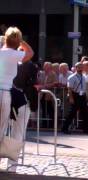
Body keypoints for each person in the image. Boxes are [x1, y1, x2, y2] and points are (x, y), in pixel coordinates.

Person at [0, 26, 33, 164]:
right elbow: (30, 52)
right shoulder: (15, 55)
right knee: (1, 128)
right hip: (5, 92)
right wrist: (21, 42)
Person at [62, 62, 88, 134]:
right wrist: (71, 98)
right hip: (75, 95)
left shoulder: (83, 77)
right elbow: (69, 89)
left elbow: (84, 88)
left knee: (85, 113)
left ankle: (86, 130)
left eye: (81, 67)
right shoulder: (72, 77)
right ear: (76, 68)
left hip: (82, 96)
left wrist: (85, 96)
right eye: (79, 67)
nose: (81, 68)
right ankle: (65, 128)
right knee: (72, 113)